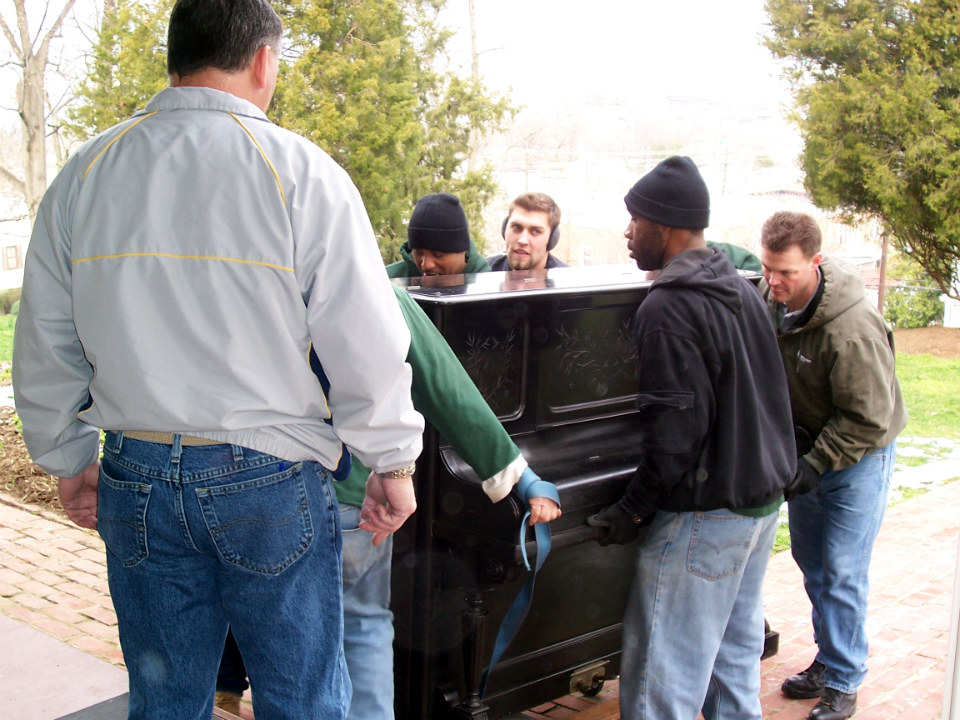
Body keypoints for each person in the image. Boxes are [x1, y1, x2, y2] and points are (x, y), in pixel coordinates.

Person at [12, 1, 424, 718]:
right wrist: (392, 461)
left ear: (175, 57)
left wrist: (66, 457)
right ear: (263, 60)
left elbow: (45, 339)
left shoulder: (85, 172)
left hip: (137, 475)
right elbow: (364, 337)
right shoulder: (301, 171)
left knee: (164, 700)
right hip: (269, 481)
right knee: (303, 703)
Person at [216, 283, 562, 720]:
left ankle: (223, 692)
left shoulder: (238, 281)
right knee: (362, 626)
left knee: (257, 628)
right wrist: (521, 477)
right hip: (347, 500)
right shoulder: (368, 286)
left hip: (231, 487)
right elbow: (446, 386)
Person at [586, 156, 797, 720]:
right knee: (732, 674)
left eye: (635, 221)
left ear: (666, 225)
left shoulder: (670, 305)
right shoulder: (740, 288)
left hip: (707, 515)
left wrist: (630, 509)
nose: (627, 233)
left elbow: (674, 438)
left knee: (662, 689)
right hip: (758, 509)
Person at [759, 211, 907, 720]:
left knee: (843, 571)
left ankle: (844, 680)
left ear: (815, 263)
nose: (774, 281)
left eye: (786, 272)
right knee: (813, 564)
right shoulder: (771, 299)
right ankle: (828, 659)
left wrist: (816, 463)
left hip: (858, 459)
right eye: (768, 268)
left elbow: (869, 419)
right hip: (809, 455)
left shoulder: (853, 330)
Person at [386, 192, 490, 278]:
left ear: (463, 249)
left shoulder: (489, 283)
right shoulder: (387, 282)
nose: (426, 265)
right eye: (418, 253)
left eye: (438, 255)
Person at [487, 192, 568, 271]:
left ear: (551, 239)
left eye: (536, 231)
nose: (522, 240)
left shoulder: (567, 278)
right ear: (505, 229)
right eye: (516, 227)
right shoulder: (485, 271)